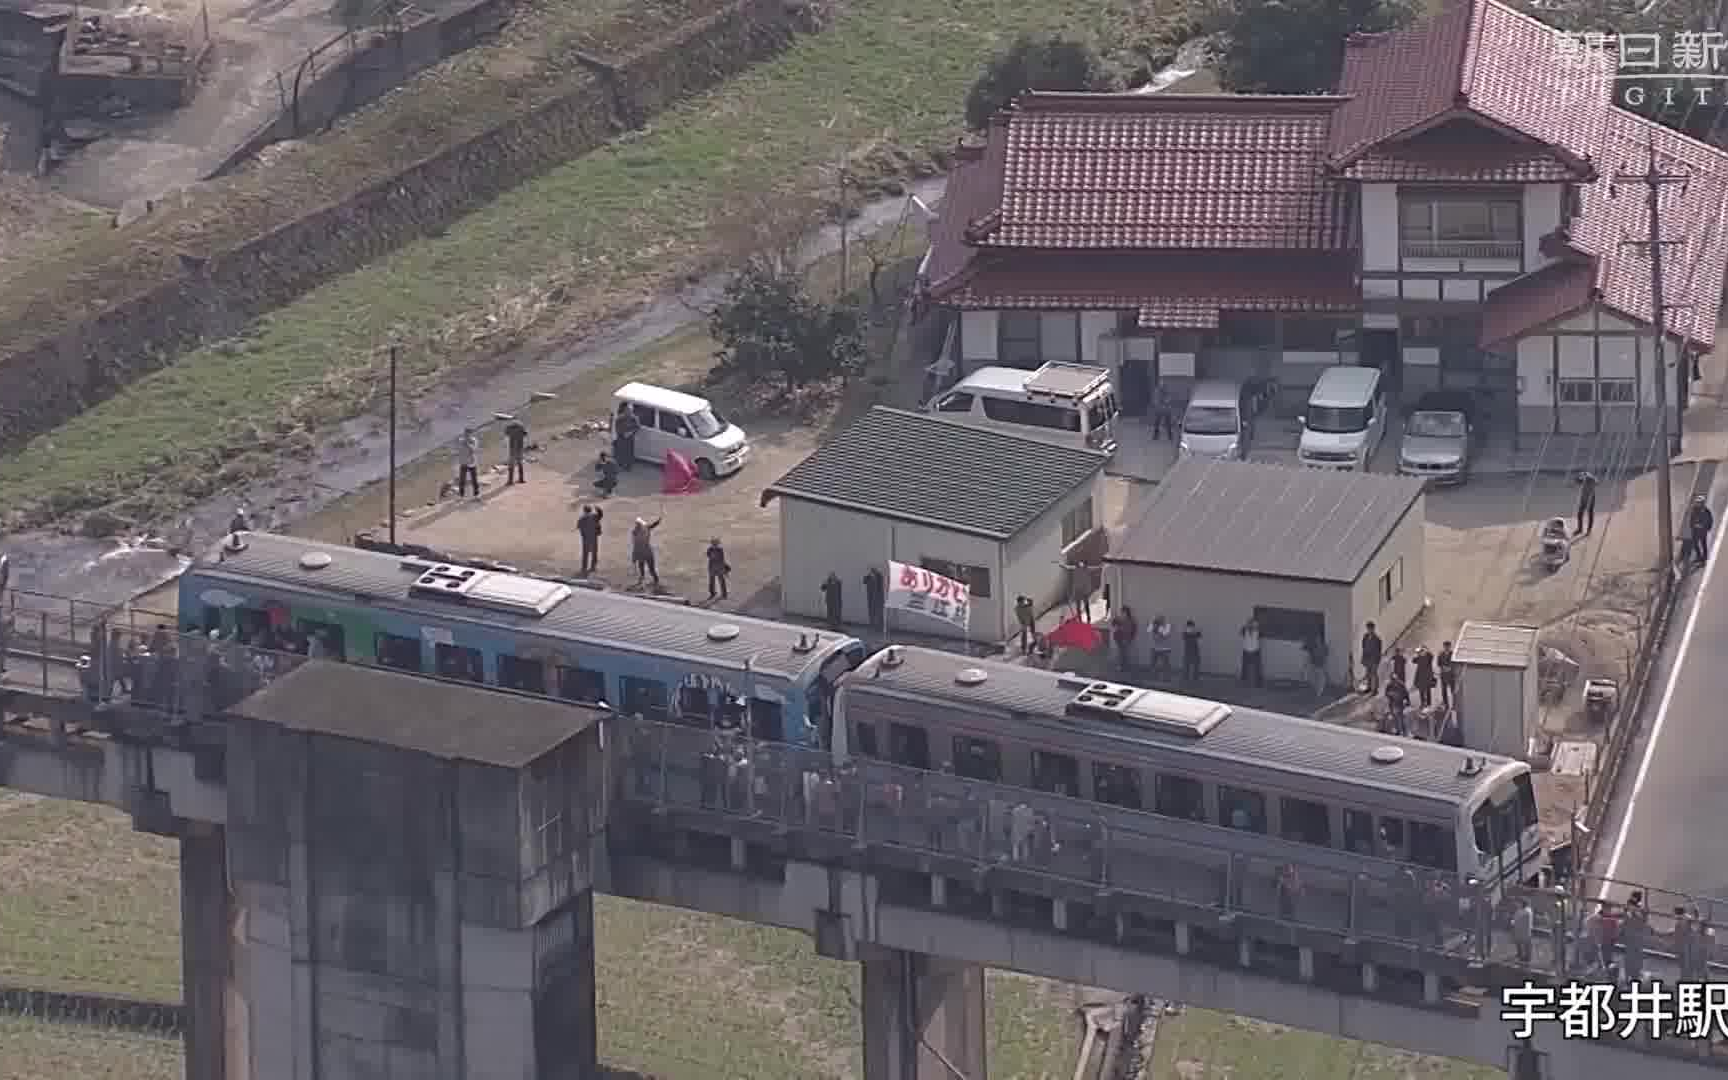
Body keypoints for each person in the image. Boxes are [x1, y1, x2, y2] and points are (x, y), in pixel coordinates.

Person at [630, 516, 662, 588]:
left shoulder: (638, 533)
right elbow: (651, 526)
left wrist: (634, 560)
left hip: (644, 554)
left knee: (645, 572)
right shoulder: (644, 529)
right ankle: (655, 582)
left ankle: (642, 583)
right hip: (647, 553)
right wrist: (658, 521)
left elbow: (635, 549)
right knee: (650, 571)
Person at [1688, 495, 1715, 565]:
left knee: (1703, 544)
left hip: (1702, 531)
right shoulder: (1694, 509)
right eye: (1696, 502)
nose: (1697, 504)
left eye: (1698, 502)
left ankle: (1704, 558)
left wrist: (1706, 528)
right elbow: (1692, 518)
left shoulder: (1706, 511)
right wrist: (1692, 525)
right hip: (1695, 530)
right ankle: (1699, 556)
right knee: (1695, 544)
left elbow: (1709, 521)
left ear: (1702, 503)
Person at [576, 506, 603, 575]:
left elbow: (579, 527)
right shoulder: (594, 516)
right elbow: (600, 515)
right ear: (590, 510)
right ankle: (593, 567)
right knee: (594, 553)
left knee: (585, 554)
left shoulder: (582, 518)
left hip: (585, 539)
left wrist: (583, 534)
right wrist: (598, 509)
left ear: (584, 511)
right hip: (593, 538)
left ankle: (584, 568)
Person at [614, 404, 641, 469]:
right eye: (627, 410)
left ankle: (628, 466)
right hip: (621, 438)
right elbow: (617, 427)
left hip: (630, 438)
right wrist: (622, 434)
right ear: (625, 410)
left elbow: (637, 427)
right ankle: (620, 464)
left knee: (629, 453)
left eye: (630, 411)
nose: (629, 412)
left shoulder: (634, 418)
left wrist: (630, 433)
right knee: (620, 451)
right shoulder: (620, 418)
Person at [456, 426, 480, 497]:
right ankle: (461, 495)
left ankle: (476, 494)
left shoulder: (474, 440)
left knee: (474, 480)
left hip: (472, 463)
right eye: (466, 433)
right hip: (463, 463)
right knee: (462, 480)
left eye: (468, 433)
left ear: (471, 434)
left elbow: (474, 450)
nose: (467, 435)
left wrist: (467, 444)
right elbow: (459, 451)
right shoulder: (461, 441)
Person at [1360, 622, 1383, 694]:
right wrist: (1363, 658)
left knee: (1374, 674)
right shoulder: (1365, 636)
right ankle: (1369, 687)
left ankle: (1375, 689)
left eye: (1370, 628)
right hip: (1367, 658)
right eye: (1368, 628)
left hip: (1374, 659)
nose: (1369, 630)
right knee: (1368, 673)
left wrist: (1377, 659)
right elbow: (1363, 647)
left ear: (1373, 629)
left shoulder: (1377, 639)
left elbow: (1379, 650)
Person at [1239, 618, 1262, 687]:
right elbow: (1241, 632)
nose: (1251, 625)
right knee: (1245, 667)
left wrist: (1256, 627)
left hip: (1255, 651)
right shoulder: (1245, 630)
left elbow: (1261, 634)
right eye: (1250, 624)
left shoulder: (1257, 631)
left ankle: (1258, 682)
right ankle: (1244, 680)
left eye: (1252, 624)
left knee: (1257, 668)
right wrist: (1246, 626)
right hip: (1246, 650)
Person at [504, 418, 528, 484]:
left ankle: (510, 481)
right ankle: (521, 479)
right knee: (520, 463)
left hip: (512, 449)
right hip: (519, 448)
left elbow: (506, 434)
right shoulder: (521, 427)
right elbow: (525, 434)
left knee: (511, 465)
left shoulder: (509, 427)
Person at [1511, 897, 1535, 963]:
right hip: (1521, 929)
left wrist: (1513, 922)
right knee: (1519, 942)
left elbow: (1516, 918)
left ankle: (1526, 957)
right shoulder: (1524, 910)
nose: (1517, 904)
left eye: (1519, 903)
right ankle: (1520, 954)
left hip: (1524, 930)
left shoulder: (1525, 911)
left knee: (1525, 944)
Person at [1303, 634, 1328, 699]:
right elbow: (1309, 654)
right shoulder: (1314, 648)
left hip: (1320, 666)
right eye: (1317, 640)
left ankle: (1319, 693)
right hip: (1314, 665)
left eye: (1319, 640)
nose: (1317, 641)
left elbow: (1325, 655)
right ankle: (1315, 691)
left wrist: (1323, 663)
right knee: (1313, 678)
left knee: (1321, 679)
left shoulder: (1323, 647)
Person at [1576, 471, 1598, 537]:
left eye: (1581, 480)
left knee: (1590, 514)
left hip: (1591, 498)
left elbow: (1597, 482)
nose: (1581, 482)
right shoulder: (1583, 479)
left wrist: (1590, 477)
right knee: (1579, 514)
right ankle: (1580, 529)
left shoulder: (1591, 479)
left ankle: (1589, 531)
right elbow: (1577, 480)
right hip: (1583, 498)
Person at [1437, 640, 1457, 709]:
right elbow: (1438, 663)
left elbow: (1455, 663)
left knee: (1453, 691)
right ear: (1444, 647)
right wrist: (1443, 667)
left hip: (1451, 676)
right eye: (1445, 646)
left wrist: (1450, 668)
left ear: (1450, 647)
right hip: (1443, 675)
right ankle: (1446, 705)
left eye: (1447, 646)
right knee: (1443, 691)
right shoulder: (1440, 654)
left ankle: (1454, 704)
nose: (1446, 648)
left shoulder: (1453, 654)